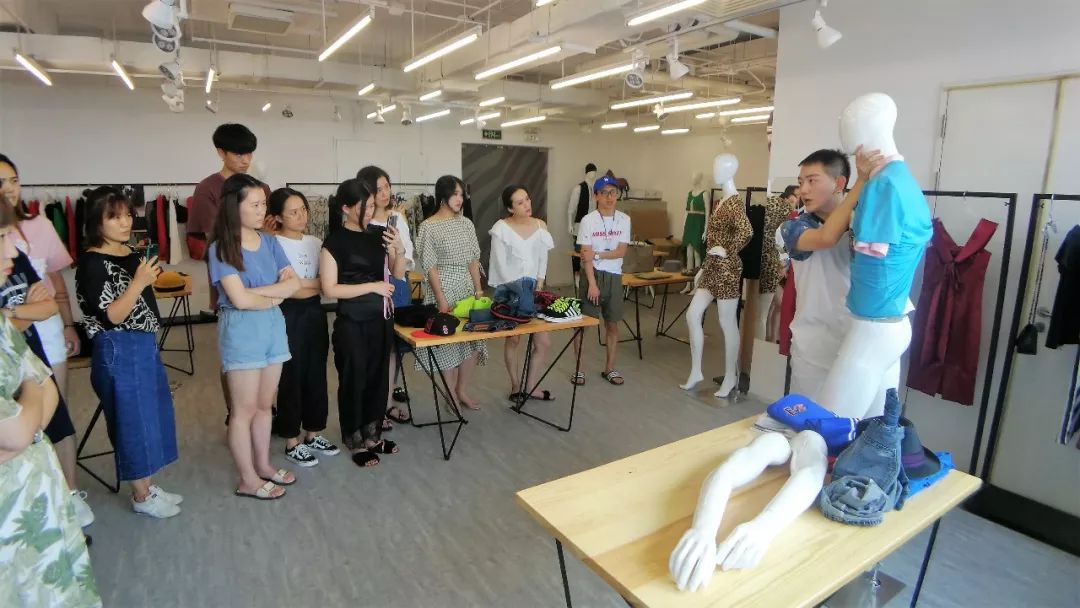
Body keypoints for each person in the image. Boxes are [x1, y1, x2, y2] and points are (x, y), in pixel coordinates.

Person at [0, 199, 102, 607]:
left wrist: (29, 396)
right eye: (0, 238)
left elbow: (44, 388)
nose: (11, 252)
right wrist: (32, 391)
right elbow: (17, 431)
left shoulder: (3, 324)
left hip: (33, 495)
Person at [75, 187, 182, 518]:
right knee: (132, 423)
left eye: (127, 215)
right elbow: (112, 316)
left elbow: (141, 300)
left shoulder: (130, 253)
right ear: (97, 222)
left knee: (152, 415)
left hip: (143, 342)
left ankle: (148, 485)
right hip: (117, 346)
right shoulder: (92, 262)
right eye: (114, 217)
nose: (125, 222)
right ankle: (141, 495)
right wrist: (138, 282)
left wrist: (148, 278)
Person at [0, 153, 93, 526]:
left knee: (57, 415)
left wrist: (13, 314)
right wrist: (24, 311)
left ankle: (68, 492)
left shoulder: (36, 225)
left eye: (13, 180)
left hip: (41, 339)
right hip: (19, 349)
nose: (9, 188)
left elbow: (51, 293)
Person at [208, 174, 300, 500]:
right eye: (256, 204)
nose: (263, 210)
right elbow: (239, 300)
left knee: (263, 406)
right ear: (235, 207)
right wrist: (275, 294)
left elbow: (294, 284)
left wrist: (260, 294)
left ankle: (263, 465)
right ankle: (247, 479)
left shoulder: (270, 242)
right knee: (243, 410)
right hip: (242, 330)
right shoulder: (221, 248)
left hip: (272, 327)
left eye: (264, 204)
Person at [780, 148, 885, 405]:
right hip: (813, 346)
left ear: (839, 183)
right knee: (808, 421)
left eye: (812, 181)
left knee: (853, 420)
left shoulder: (864, 223)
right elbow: (826, 238)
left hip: (858, 341)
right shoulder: (793, 227)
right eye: (801, 182)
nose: (803, 190)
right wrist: (862, 180)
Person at [320, 179, 406, 467]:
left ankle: (372, 436)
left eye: (372, 206)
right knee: (354, 381)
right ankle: (355, 441)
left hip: (380, 319)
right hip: (352, 322)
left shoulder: (379, 234)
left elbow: (397, 275)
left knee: (378, 378)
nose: (370, 212)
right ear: (346, 208)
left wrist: (399, 250)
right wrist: (372, 286)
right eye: (364, 207)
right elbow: (330, 288)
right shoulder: (334, 242)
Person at [188, 124, 266, 426]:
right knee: (234, 357)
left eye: (249, 153)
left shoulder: (260, 187)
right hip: (230, 284)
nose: (245, 159)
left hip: (264, 282)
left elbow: (268, 233)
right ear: (220, 152)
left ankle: (261, 410)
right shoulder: (208, 189)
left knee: (265, 353)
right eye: (238, 153)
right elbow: (212, 239)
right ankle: (236, 414)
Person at [267, 188, 337, 468]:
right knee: (291, 375)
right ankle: (291, 440)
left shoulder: (316, 242)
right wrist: (309, 285)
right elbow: (288, 291)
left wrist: (300, 284)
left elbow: (326, 284)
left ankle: (313, 433)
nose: (301, 216)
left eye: (303, 210)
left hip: (315, 313)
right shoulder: (273, 243)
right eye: (293, 212)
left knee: (316, 372)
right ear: (278, 217)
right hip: (287, 314)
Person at [414, 175, 488, 409]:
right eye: (455, 194)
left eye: (461, 194)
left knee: (473, 341)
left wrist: (478, 290)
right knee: (447, 344)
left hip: (467, 288)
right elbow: (431, 267)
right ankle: (450, 395)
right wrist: (440, 299)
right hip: (443, 287)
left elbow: (473, 260)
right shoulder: (428, 226)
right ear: (443, 196)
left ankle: (461, 390)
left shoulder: (466, 224)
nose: (460, 199)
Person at [357, 165, 413, 428]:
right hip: (372, 288)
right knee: (374, 349)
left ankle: (387, 402)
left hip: (398, 284)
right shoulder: (362, 222)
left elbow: (408, 255)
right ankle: (373, 407)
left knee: (394, 348)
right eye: (377, 189)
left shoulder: (397, 218)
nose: (384, 193)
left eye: (387, 187)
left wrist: (398, 253)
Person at [489, 185, 555, 401]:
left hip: (534, 290)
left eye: (527, 199)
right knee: (514, 340)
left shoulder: (540, 225)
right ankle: (516, 385)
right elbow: (500, 266)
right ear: (510, 208)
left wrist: (539, 285)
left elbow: (542, 259)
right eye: (520, 202)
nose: (527, 204)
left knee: (543, 343)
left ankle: (531, 386)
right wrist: (520, 292)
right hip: (511, 292)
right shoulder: (501, 228)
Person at [572, 175, 630, 386]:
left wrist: (598, 254)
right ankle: (579, 370)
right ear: (596, 196)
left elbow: (621, 251)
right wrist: (592, 283)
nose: (609, 197)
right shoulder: (588, 221)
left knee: (612, 324)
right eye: (604, 193)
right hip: (593, 276)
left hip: (614, 276)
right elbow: (585, 255)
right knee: (584, 325)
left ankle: (610, 368)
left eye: (613, 192)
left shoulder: (624, 219)